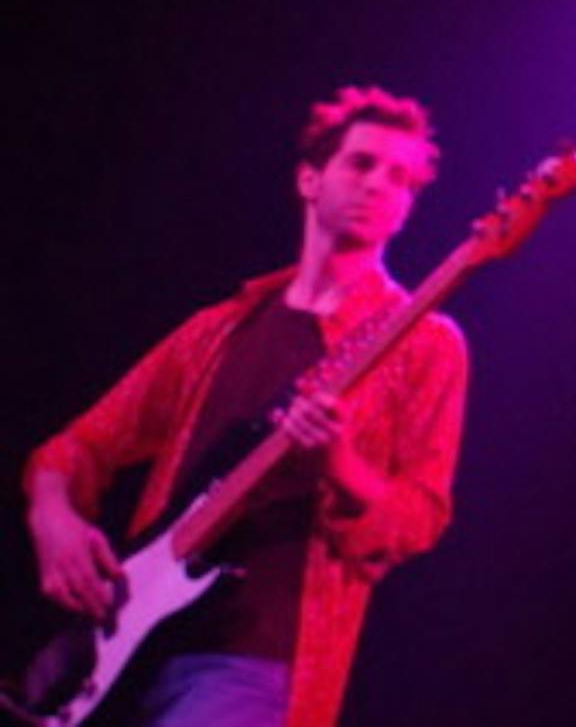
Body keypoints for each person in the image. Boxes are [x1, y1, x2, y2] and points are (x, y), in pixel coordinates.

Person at [22, 86, 469, 727]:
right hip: (125, 645)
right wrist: (53, 517)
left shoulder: (424, 343)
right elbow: (78, 447)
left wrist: (341, 465)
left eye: (401, 179)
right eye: (362, 163)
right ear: (310, 178)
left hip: (258, 662)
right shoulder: (219, 328)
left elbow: (421, 515)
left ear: (407, 210)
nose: (380, 185)